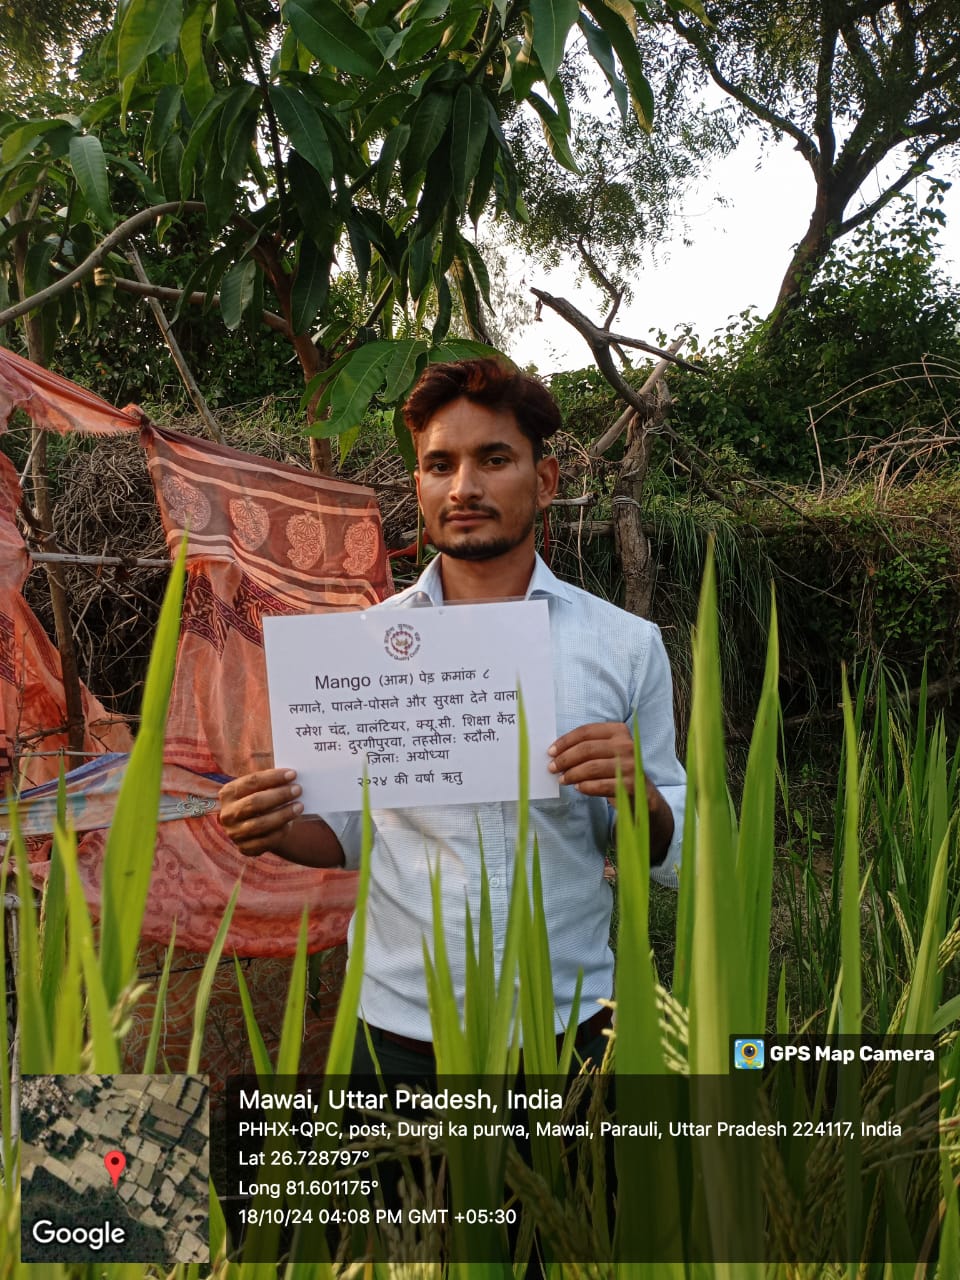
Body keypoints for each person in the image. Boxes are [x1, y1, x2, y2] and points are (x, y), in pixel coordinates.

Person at [218, 358, 686, 1072]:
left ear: (547, 479)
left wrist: (641, 797)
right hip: (399, 1033)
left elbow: (665, 848)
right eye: (440, 465)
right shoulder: (360, 651)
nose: (464, 487)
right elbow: (341, 836)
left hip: (573, 1026)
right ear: (419, 485)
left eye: (494, 459)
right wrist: (275, 828)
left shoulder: (623, 645)